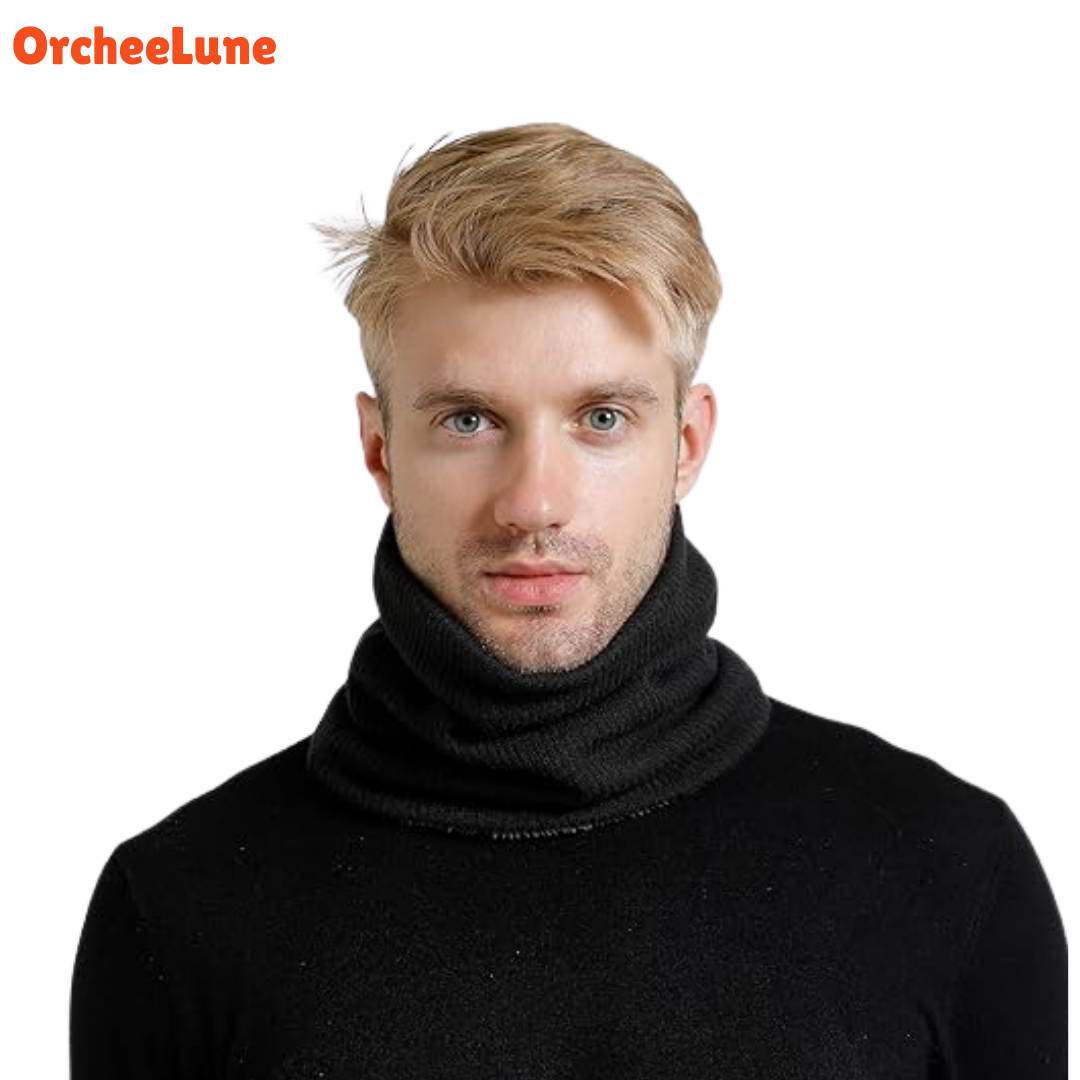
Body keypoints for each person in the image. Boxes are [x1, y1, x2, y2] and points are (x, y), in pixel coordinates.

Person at [70, 123, 1066, 1079]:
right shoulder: (178, 909)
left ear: (687, 442)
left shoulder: (947, 870)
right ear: (379, 449)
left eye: (602, 418)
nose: (534, 503)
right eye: (469, 420)